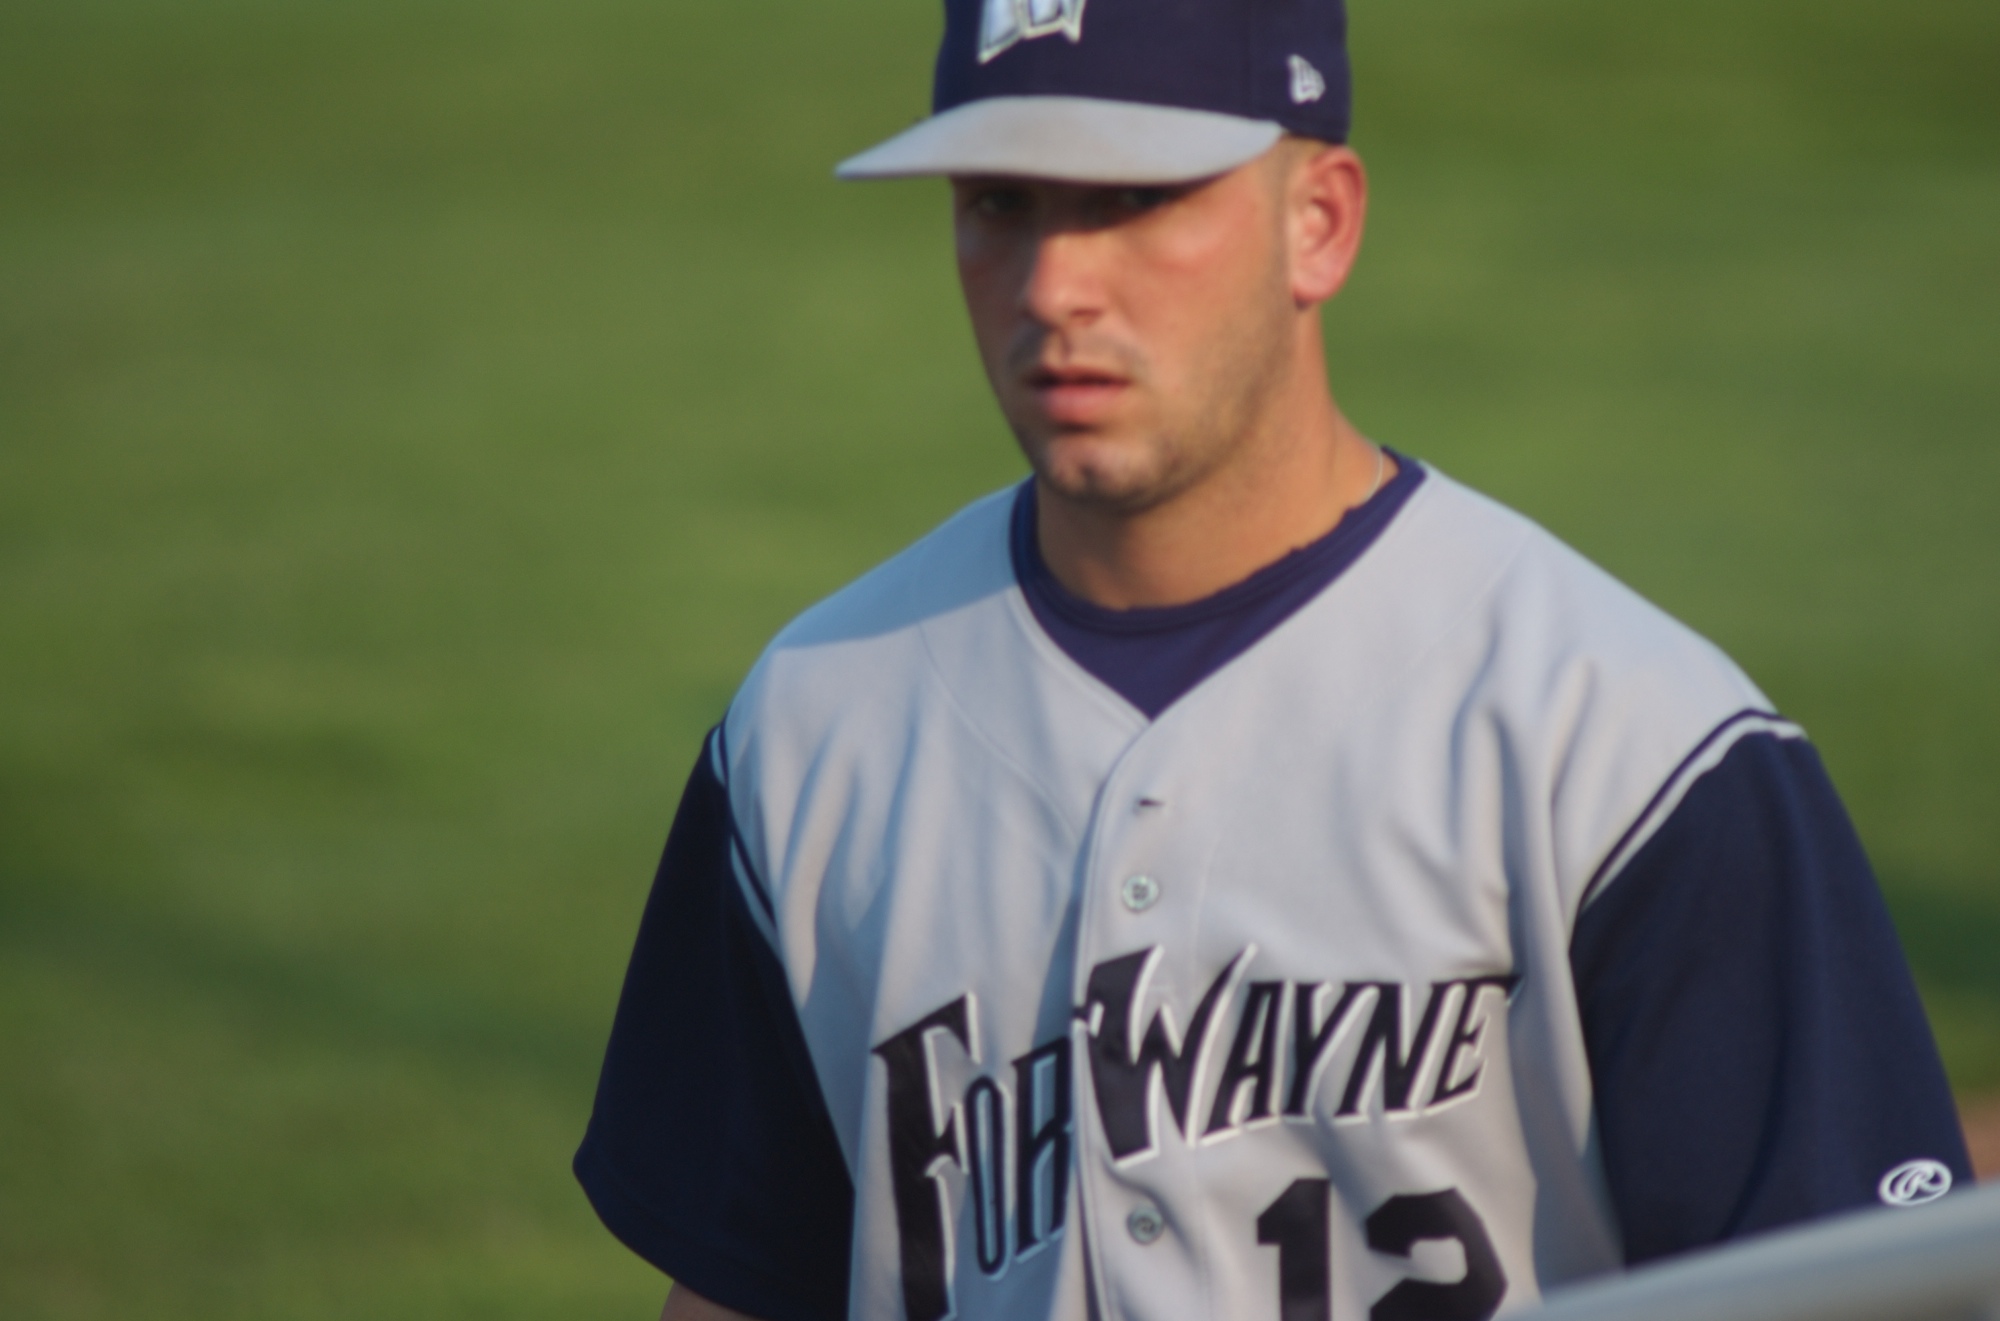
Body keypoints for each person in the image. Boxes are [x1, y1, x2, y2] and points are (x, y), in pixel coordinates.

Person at [573, 0, 1973, 1318]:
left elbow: (1859, 1285)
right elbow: (739, 1284)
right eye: (1001, 202)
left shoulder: (1619, 741)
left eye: (1132, 199)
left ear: (1319, 223)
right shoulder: (814, 726)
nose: (1056, 283)